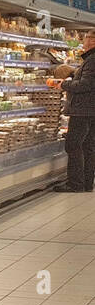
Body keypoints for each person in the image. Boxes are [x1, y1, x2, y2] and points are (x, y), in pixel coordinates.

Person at [57, 30, 95, 191]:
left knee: (73, 145)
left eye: (86, 38)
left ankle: (75, 184)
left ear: (93, 41)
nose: (83, 40)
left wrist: (64, 84)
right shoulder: (90, 59)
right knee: (88, 145)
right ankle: (86, 182)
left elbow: (86, 85)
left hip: (83, 110)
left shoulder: (92, 60)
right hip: (89, 109)